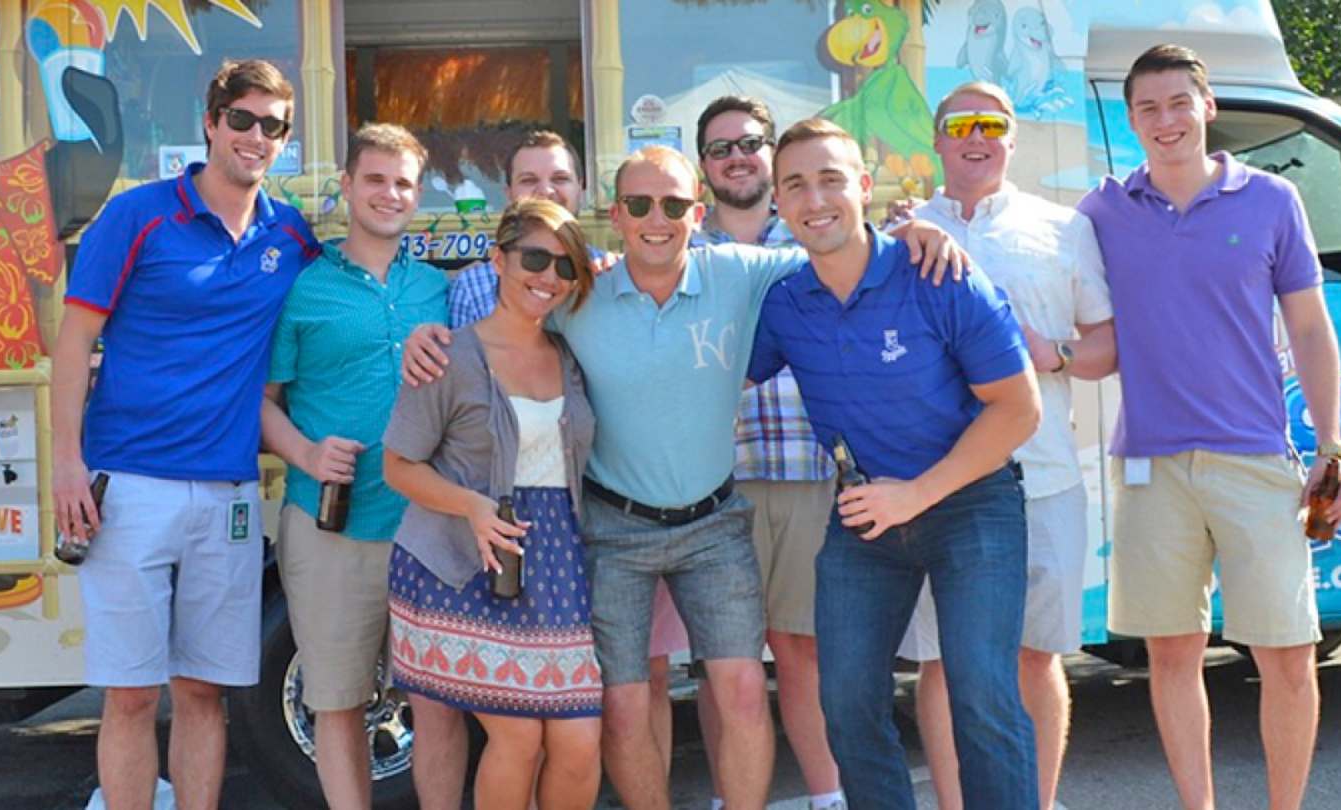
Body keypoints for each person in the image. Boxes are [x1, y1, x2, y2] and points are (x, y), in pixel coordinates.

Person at [406, 144, 964, 810]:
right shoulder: (581, 295)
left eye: (673, 204)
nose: (656, 219)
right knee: (621, 704)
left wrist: (911, 232)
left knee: (741, 692)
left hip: (714, 523)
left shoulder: (738, 270)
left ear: (697, 213)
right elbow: (504, 323)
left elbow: (834, 243)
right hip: (613, 527)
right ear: (616, 213)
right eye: (639, 203)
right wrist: (426, 336)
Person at [1077, 44, 1341, 810]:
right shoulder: (1102, 210)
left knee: (1289, 656)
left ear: (1206, 106)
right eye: (1148, 109)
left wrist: (1330, 443)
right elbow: (1055, 292)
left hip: (1257, 459)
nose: (1165, 121)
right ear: (1131, 120)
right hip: (1149, 466)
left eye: (1178, 103)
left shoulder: (1270, 200)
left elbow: (1309, 326)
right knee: (1171, 656)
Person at [748, 118, 1042, 810]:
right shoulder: (785, 304)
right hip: (865, 516)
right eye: (795, 185)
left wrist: (916, 494)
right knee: (846, 704)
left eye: (830, 179)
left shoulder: (942, 275)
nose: (814, 199)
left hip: (972, 503)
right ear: (779, 205)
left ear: (864, 187)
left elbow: (1018, 409)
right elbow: (710, 362)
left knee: (982, 697)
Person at [51, 59, 317, 810]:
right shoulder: (136, 216)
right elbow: (73, 346)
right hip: (126, 486)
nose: (256, 136)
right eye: (243, 119)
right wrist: (66, 466)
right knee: (132, 696)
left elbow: (340, 302)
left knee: (204, 691)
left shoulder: (288, 232)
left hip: (228, 493)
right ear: (211, 123)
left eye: (274, 126)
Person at [441, 128, 693, 770]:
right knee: (524, 711)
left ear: (581, 191)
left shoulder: (614, 277)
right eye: (530, 180)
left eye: (559, 179)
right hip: (519, 521)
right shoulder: (473, 287)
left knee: (642, 676)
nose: (546, 190)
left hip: (618, 505)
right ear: (509, 195)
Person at [895, 82, 1115, 810]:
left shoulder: (1064, 228)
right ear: (938, 140)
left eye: (993, 123)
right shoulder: (900, 234)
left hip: (1042, 478)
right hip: (938, 483)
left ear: (1012, 139)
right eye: (961, 124)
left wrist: (1047, 353)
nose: (977, 136)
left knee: (1033, 658)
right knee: (943, 663)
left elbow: (1107, 345)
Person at [384, 198, 603, 810]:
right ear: (498, 259)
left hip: (554, 561)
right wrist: (474, 507)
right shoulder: (448, 355)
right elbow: (397, 466)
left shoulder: (569, 355)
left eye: (566, 267)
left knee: (581, 740)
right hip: (456, 562)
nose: (549, 277)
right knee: (517, 736)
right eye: (535, 258)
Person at [260, 123, 448, 810]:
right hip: (329, 526)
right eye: (374, 179)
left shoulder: (438, 288)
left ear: (418, 195)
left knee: (436, 700)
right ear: (346, 186)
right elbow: (263, 401)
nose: (388, 194)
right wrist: (305, 452)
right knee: (336, 701)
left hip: (427, 529)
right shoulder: (303, 290)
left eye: (402, 183)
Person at [690, 95, 843, 810]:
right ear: (703, 167)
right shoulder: (677, 247)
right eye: (721, 148)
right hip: (708, 486)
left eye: (750, 143)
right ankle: (731, 798)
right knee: (724, 663)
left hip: (809, 471)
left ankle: (827, 796)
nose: (737, 157)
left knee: (805, 651)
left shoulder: (817, 232)